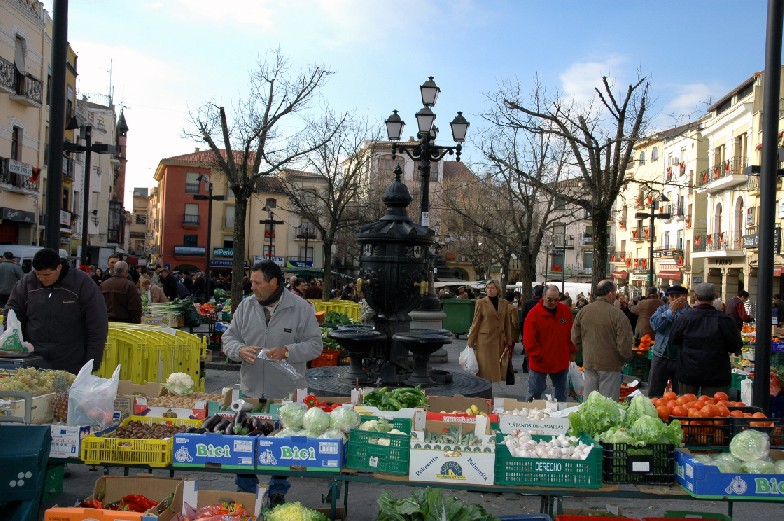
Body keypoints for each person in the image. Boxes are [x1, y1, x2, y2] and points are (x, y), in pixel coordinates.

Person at [221, 260, 323, 504]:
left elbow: (315, 345)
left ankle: (278, 489)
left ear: (274, 282)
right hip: (251, 390)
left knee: (282, 443)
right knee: (244, 442)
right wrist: (239, 351)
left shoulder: (301, 308)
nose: (252, 286)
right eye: (251, 281)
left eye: (257, 282)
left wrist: (287, 351)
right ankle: (246, 490)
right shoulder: (246, 307)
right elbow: (229, 338)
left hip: (286, 392)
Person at [5, 248, 108, 374]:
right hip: (34, 360)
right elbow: (12, 312)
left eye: (47, 274)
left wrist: (92, 362)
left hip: (71, 361)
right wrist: (15, 345)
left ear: (58, 268)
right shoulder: (27, 283)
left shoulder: (82, 283)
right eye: (38, 274)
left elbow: (97, 324)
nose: (41, 278)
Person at [670, 283, 743, 396]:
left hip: (688, 370)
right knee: (713, 410)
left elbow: (674, 339)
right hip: (716, 373)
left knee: (687, 408)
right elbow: (736, 345)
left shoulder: (685, 317)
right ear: (714, 297)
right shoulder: (723, 319)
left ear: (695, 296)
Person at [571, 280, 634, 401]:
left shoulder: (584, 311)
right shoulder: (617, 314)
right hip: (610, 364)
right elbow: (624, 342)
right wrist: (626, 357)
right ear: (610, 293)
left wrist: (580, 353)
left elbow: (575, 338)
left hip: (589, 361)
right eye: (615, 292)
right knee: (607, 404)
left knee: (590, 402)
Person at [523, 285, 577, 402]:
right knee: (534, 393)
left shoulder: (565, 312)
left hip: (560, 361)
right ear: (543, 297)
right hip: (540, 362)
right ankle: (531, 417)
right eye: (550, 299)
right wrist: (539, 356)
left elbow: (569, 335)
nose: (553, 302)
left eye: (556, 300)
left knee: (561, 394)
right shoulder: (534, 314)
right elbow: (529, 341)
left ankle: (560, 417)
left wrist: (572, 351)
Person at [466, 279, 514, 382]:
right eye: (487, 288)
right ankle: (485, 389)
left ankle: (490, 387)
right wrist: (470, 343)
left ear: (498, 290)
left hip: (499, 340)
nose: (489, 290)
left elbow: (507, 323)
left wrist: (509, 341)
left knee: (496, 367)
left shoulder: (504, 303)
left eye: (492, 288)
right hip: (485, 341)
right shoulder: (481, 302)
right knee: (485, 369)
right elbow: (476, 323)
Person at [647, 285, 690, 397]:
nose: (674, 299)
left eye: (678, 296)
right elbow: (656, 325)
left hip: (681, 358)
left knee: (680, 394)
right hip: (661, 356)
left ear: (685, 297)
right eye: (671, 296)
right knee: (654, 392)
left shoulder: (690, 313)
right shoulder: (662, 310)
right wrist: (671, 311)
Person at [519, 285, 545, 373]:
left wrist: (522, 334)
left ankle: (529, 368)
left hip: (528, 332)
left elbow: (522, 320)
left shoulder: (527, 303)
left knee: (529, 352)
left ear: (534, 293)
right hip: (542, 333)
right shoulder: (545, 303)